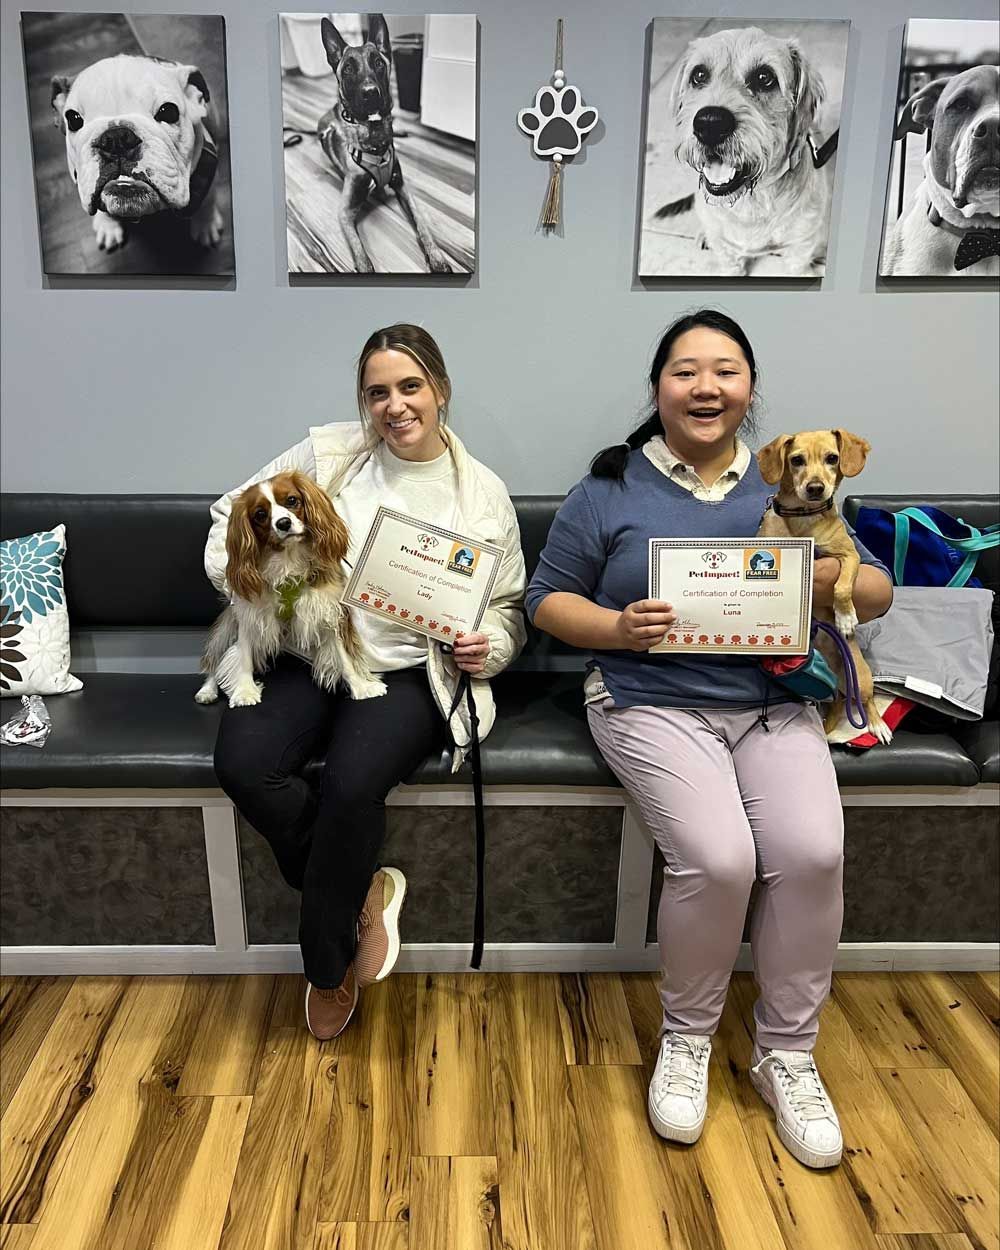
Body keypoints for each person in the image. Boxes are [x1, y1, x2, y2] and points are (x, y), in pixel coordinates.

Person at [526, 309, 892, 1170]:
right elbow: (545, 600)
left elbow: (875, 593)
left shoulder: (793, 485)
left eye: (725, 370)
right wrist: (618, 627)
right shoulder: (607, 488)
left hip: (770, 703)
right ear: (658, 388)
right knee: (720, 858)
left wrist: (812, 582)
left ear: (749, 391)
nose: (705, 386)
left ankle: (788, 1054)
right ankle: (687, 1041)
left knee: (811, 854)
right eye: (686, 370)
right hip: (649, 699)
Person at [205, 324, 526, 1039]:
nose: (395, 405)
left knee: (352, 787)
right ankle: (365, 890)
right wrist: (249, 584)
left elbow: (507, 608)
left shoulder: (483, 497)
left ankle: (327, 966)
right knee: (244, 765)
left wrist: (490, 644)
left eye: (410, 386)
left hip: (411, 672)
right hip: (308, 651)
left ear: (441, 391)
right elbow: (232, 516)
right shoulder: (326, 455)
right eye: (377, 391)